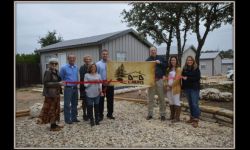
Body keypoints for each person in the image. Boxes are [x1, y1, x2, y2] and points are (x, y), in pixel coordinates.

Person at [37, 58, 63, 131]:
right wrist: (58, 83)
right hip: (50, 94)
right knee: (51, 109)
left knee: (56, 109)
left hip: (56, 93)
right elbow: (46, 83)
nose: (54, 65)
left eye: (56, 63)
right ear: (49, 64)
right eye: (52, 63)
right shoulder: (48, 71)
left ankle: (54, 123)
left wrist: (61, 82)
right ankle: (52, 126)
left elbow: (58, 80)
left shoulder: (56, 71)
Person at [146, 46, 167, 121]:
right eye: (151, 50)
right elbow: (145, 71)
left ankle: (162, 114)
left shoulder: (161, 58)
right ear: (150, 52)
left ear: (156, 51)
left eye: (154, 50)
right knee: (150, 98)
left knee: (161, 98)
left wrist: (160, 63)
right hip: (151, 81)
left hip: (159, 80)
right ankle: (150, 114)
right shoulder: (147, 60)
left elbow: (165, 66)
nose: (153, 51)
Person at [181, 56, 201, 128]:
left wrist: (188, 77)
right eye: (188, 60)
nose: (189, 61)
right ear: (186, 61)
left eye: (190, 60)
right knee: (190, 104)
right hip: (187, 88)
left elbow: (197, 78)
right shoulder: (184, 68)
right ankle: (192, 117)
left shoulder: (196, 68)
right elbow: (183, 78)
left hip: (194, 88)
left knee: (194, 104)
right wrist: (182, 88)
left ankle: (196, 120)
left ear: (193, 61)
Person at [60, 54, 80, 124]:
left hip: (75, 88)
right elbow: (61, 77)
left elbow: (76, 76)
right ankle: (67, 119)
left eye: (73, 58)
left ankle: (74, 118)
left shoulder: (76, 67)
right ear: (68, 59)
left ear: (75, 59)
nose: (72, 59)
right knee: (67, 104)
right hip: (68, 88)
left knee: (75, 103)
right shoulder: (64, 67)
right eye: (70, 58)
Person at [96, 49, 115, 121]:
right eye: (103, 54)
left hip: (110, 84)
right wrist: (101, 82)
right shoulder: (98, 64)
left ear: (108, 55)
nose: (105, 55)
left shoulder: (111, 63)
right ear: (101, 55)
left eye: (106, 54)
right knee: (101, 100)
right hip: (102, 85)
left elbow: (114, 73)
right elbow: (96, 74)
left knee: (110, 100)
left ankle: (110, 114)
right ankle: (100, 115)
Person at [164, 56, 182, 123]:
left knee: (176, 101)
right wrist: (166, 85)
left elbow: (177, 79)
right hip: (168, 88)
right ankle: (172, 116)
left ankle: (177, 118)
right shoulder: (168, 69)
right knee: (171, 101)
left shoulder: (178, 69)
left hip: (175, 88)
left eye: (174, 60)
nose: (172, 61)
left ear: (176, 61)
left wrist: (171, 86)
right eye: (171, 60)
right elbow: (166, 78)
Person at [79, 55, 92, 121]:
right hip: (83, 86)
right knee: (84, 101)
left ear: (91, 60)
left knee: (90, 101)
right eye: (86, 59)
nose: (87, 60)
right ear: (84, 60)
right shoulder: (82, 67)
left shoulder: (92, 67)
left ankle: (89, 114)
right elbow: (82, 77)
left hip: (92, 87)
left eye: (89, 59)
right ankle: (84, 114)